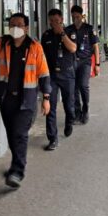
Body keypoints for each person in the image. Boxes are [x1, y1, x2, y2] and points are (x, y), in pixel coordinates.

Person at [0, 13, 50, 188]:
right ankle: (16, 164)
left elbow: (44, 74)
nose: (15, 28)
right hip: (7, 99)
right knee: (12, 134)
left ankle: (17, 171)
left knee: (20, 135)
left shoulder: (35, 47)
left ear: (26, 28)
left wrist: (46, 98)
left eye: (19, 25)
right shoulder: (2, 43)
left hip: (26, 100)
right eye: (12, 24)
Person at [41, 8, 77, 151]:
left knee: (69, 104)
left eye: (56, 20)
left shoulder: (69, 32)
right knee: (50, 107)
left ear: (61, 19)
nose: (54, 23)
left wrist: (62, 33)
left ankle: (69, 121)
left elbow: (73, 48)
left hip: (67, 75)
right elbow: (42, 55)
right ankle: (53, 138)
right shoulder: (46, 35)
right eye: (51, 21)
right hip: (51, 76)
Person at [66, 5, 100, 124]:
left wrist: (97, 64)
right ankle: (77, 113)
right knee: (74, 88)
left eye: (78, 16)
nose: (75, 19)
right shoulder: (68, 30)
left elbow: (96, 47)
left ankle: (85, 110)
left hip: (85, 61)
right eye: (73, 16)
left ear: (82, 16)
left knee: (83, 85)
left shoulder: (89, 29)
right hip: (72, 62)